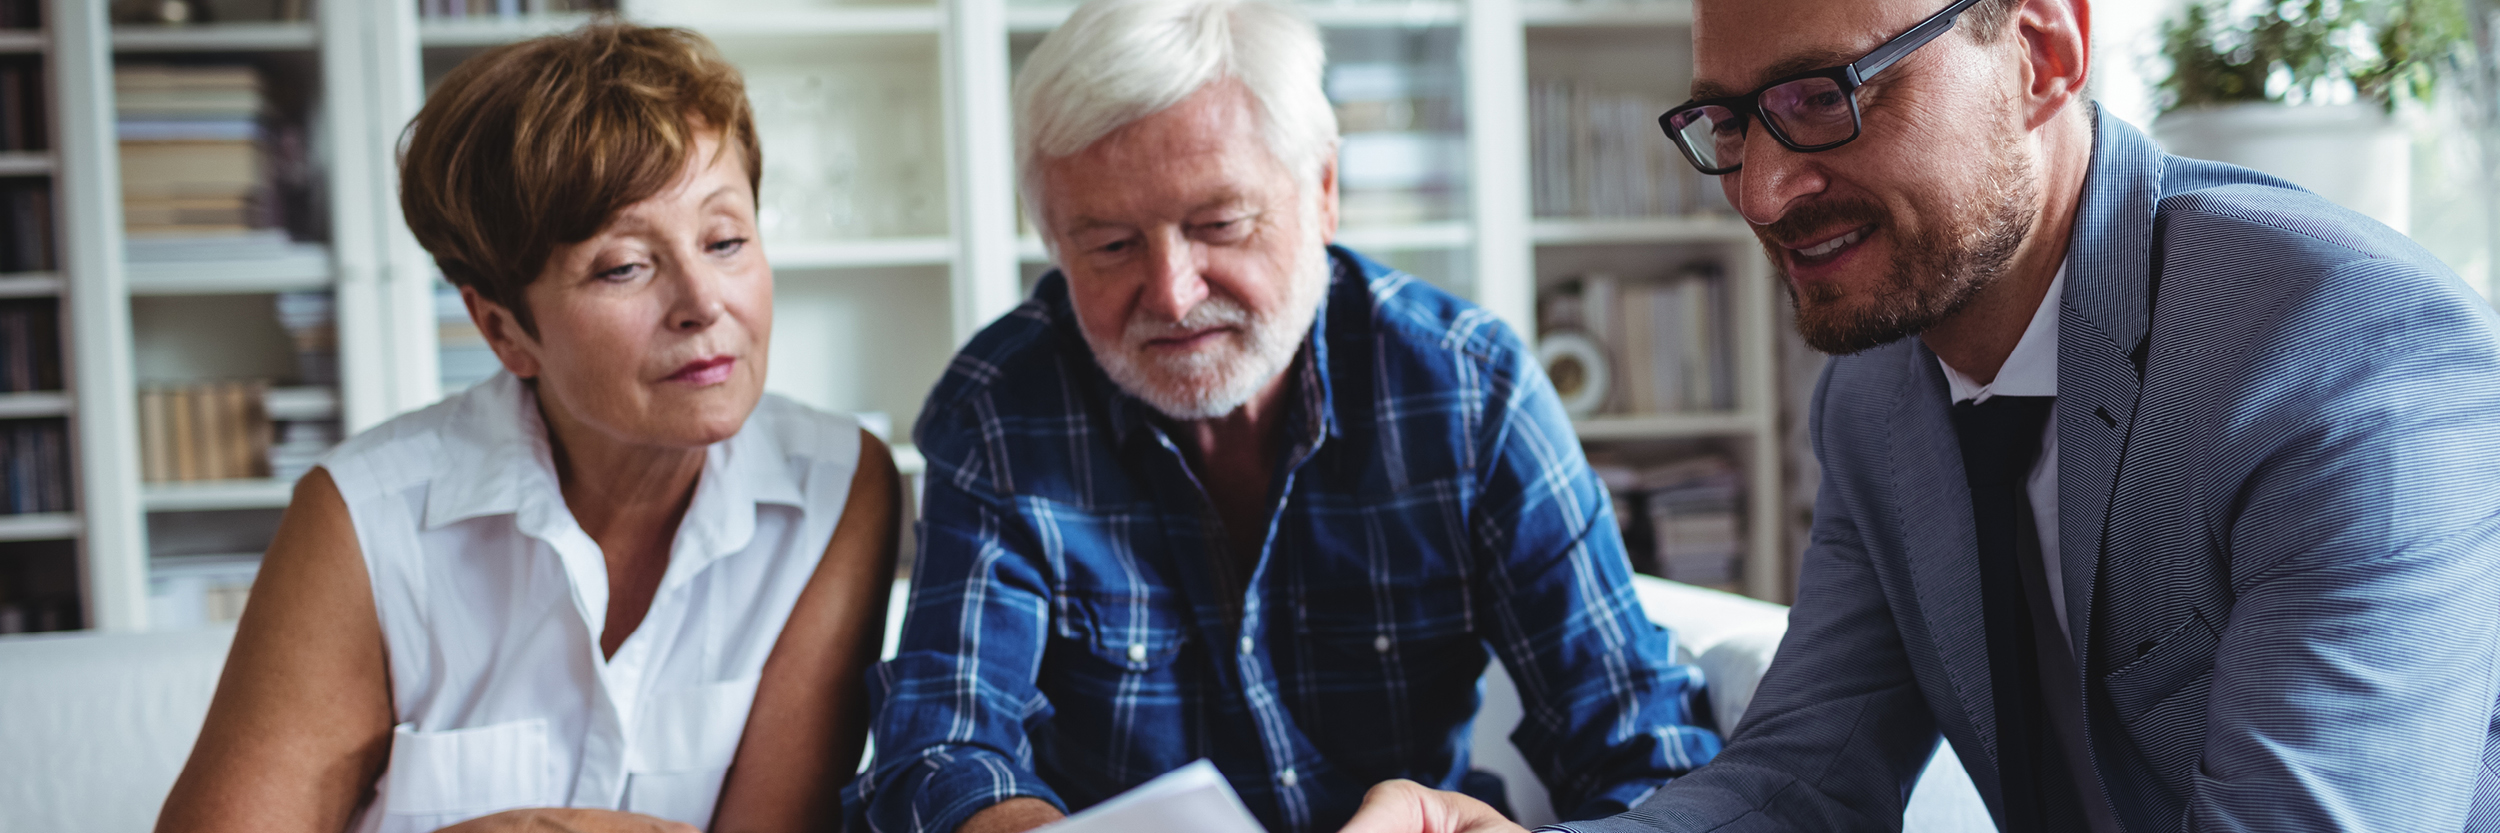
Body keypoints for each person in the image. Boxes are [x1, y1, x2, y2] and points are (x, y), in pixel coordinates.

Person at [1339, 0, 2500, 830]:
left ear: (2044, 54)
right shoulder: (1877, 394)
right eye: (1731, 123)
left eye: (1823, 96)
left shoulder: (2342, 347)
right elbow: (1801, 776)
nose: (1760, 190)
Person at [843, 1, 1722, 831]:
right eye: (1109, 243)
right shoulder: (1000, 407)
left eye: (1219, 223)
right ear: (1053, 241)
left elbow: (1646, 740)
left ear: (1324, 190)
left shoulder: (1469, 388)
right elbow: (942, 743)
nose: (1173, 293)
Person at [152, 23, 902, 833]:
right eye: (623, 266)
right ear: (504, 329)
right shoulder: (364, 520)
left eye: (726, 240)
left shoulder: (837, 486)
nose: (702, 302)